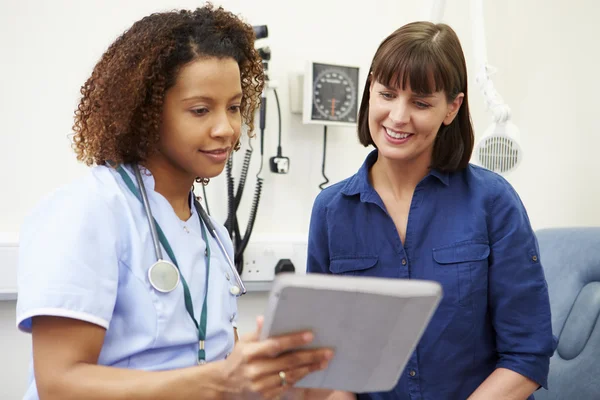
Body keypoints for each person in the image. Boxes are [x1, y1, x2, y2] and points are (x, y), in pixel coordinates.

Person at [15, 5, 334, 399]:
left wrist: (287, 382)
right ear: (145, 112)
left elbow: (216, 363)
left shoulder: (211, 234)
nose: (226, 129)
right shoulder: (86, 211)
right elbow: (60, 384)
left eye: (234, 107)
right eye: (200, 110)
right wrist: (219, 380)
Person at [307, 21, 557, 400]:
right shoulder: (331, 211)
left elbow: (527, 355)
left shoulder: (493, 202)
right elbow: (329, 361)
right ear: (370, 90)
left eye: (421, 103)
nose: (398, 116)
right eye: (387, 94)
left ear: (451, 108)